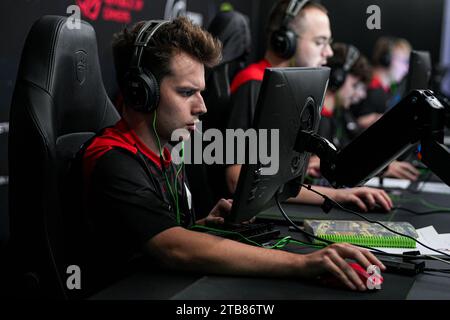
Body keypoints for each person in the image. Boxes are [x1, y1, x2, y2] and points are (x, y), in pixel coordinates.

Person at [76, 16, 385, 292]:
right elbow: (172, 248)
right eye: (186, 93)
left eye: (201, 91)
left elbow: (151, 236)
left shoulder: (165, 152)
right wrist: (303, 264)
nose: (202, 106)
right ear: (141, 92)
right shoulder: (113, 161)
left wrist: (200, 226)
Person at [226, 0, 393, 212]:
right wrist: (336, 195)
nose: (329, 52)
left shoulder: (289, 90)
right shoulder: (253, 84)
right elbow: (236, 179)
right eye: (319, 42)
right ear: (285, 41)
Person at [309, 42, 420, 182]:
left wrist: (383, 166)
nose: (360, 95)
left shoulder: (340, 113)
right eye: (355, 86)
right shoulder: (318, 119)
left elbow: (347, 155)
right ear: (337, 78)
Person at [351, 36, 412, 130]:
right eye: (403, 61)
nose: (406, 68)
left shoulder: (383, 88)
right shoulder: (373, 90)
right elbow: (356, 123)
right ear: (387, 60)